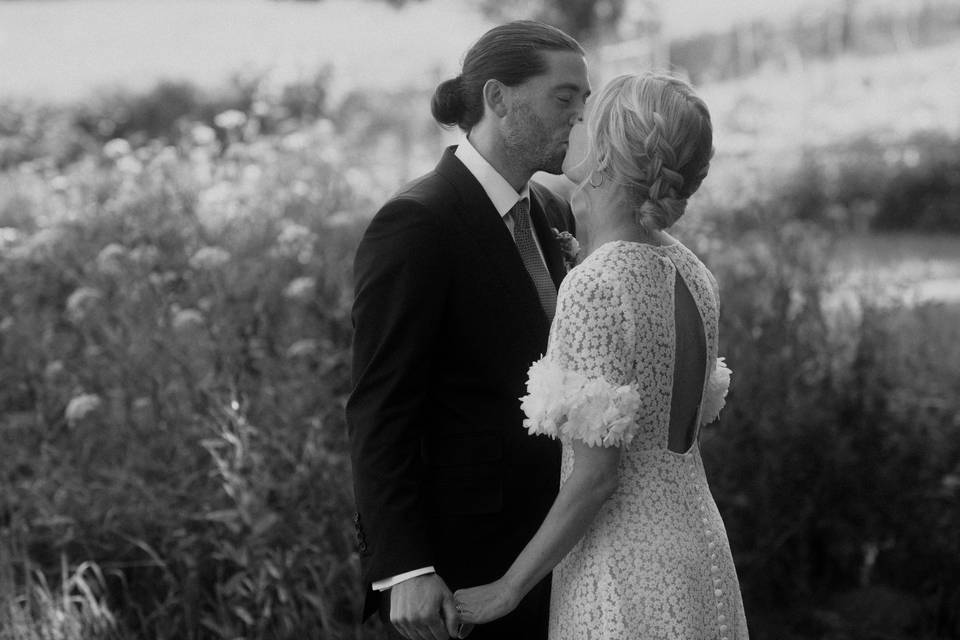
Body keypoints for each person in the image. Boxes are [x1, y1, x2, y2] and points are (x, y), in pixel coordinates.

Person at [453, 73, 749, 639]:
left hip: (625, 572)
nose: (572, 120)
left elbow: (596, 478)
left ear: (609, 153)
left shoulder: (598, 285)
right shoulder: (692, 271)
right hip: (700, 552)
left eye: (587, 115)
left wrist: (507, 589)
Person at [346, 20, 591, 640]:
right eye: (564, 98)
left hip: (561, 545)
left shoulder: (553, 209)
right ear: (498, 99)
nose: (579, 119)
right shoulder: (416, 223)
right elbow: (381, 406)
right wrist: (404, 566)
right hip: (465, 564)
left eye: (583, 102)